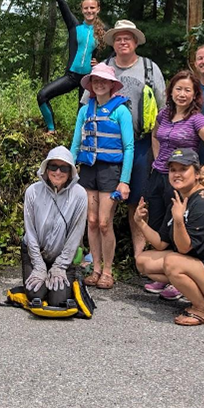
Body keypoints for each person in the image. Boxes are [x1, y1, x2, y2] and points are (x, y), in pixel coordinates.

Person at [134, 148, 204, 326]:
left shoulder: (202, 205)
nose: (177, 174)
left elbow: (184, 248)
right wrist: (140, 223)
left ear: (197, 173)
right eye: (173, 170)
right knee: (143, 261)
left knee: (173, 262)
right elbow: (161, 243)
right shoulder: (180, 197)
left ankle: (202, 309)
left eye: (183, 169)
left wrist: (179, 220)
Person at [144, 70, 204, 300]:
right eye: (178, 89)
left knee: (178, 228)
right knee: (158, 224)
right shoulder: (163, 114)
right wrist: (158, 159)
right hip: (158, 176)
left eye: (187, 90)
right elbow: (155, 136)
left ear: (195, 94)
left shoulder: (196, 119)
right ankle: (163, 276)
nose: (182, 94)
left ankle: (179, 281)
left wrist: (198, 176)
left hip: (180, 182)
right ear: (171, 91)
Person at [84, 20, 160, 264]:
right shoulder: (104, 67)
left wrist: (160, 151)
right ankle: (99, 257)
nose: (123, 42)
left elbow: (163, 110)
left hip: (139, 144)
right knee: (100, 203)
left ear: (136, 41)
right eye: (118, 38)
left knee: (136, 200)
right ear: (113, 43)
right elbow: (86, 105)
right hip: (104, 147)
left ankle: (139, 256)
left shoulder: (149, 69)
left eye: (128, 37)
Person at [69, 63, 134, 290]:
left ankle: (108, 270)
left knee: (105, 223)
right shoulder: (85, 109)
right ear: (92, 85)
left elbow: (129, 147)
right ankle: (95, 268)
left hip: (110, 171)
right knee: (93, 221)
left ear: (111, 85)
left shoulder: (121, 110)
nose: (99, 84)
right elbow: (76, 142)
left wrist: (124, 180)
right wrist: (68, 168)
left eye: (103, 81)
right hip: (89, 170)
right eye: (95, 81)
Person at [36, 0, 106, 130]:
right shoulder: (74, 26)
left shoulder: (103, 32)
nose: (89, 11)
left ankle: (80, 143)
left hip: (88, 80)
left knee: (82, 114)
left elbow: (115, 53)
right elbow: (62, 2)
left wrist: (102, 64)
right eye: (86, 8)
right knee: (42, 96)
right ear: (82, 10)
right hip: (71, 76)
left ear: (98, 9)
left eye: (92, 8)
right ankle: (51, 130)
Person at [22, 146, 88, 307]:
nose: (57, 172)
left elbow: (76, 235)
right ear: (46, 168)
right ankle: (36, 272)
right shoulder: (32, 191)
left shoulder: (80, 195)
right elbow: (30, 232)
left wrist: (61, 265)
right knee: (35, 293)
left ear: (71, 172)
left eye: (63, 168)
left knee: (58, 300)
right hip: (35, 252)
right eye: (53, 167)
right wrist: (38, 265)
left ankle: (71, 273)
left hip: (63, 256)